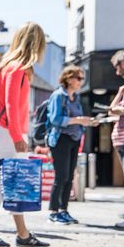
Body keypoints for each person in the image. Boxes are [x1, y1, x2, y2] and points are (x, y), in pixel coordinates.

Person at [0, 22, 49, 247]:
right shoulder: (17, 68)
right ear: (35, 43)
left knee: (10, 182)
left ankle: (20, 233)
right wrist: (18, 135)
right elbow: (10, 103)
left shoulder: (9, 66)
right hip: (9, 133)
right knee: (6, 183)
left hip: (7, 132)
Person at [46, 65, 95, 225]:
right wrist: (77, 120)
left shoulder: (77, 97)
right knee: (61, 176)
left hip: (74, 139)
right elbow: (55, 119)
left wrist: (86, 122)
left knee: (69, 177)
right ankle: (53, 212)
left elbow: (77, 118)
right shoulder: (58, 96)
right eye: (78, 78)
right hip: (60, 139)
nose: (81, 81)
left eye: (82, 78)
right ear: (68, 78)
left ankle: (63, 210)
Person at [109, 50, 124, 230]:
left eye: (117, 66)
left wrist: (122, 110)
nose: (116, 72)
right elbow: (111, 109)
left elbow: (115, 110)